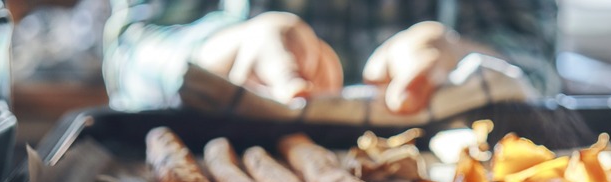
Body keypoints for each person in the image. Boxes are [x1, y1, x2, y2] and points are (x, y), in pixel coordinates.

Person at [103, 0, 558, 115]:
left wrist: (461, 53)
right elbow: (131, 48)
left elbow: (535, 60)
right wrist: (222, 51)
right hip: (221, 149)